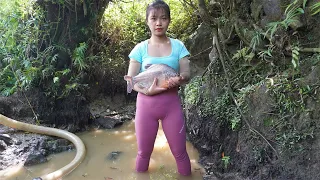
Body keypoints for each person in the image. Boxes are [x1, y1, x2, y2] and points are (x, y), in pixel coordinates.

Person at [126, 0, 192, 176]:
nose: (158, 23)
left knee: (180, 153)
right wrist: (147, 91)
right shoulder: (139, 49)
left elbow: (186, 74)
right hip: (146, 107)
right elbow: (131, 81)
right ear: (147, 21)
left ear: (169, 21)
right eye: (154, 18)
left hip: (171, 107)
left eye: (163, 18)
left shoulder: (179, 46)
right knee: (143, 154)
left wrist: (180, 79)